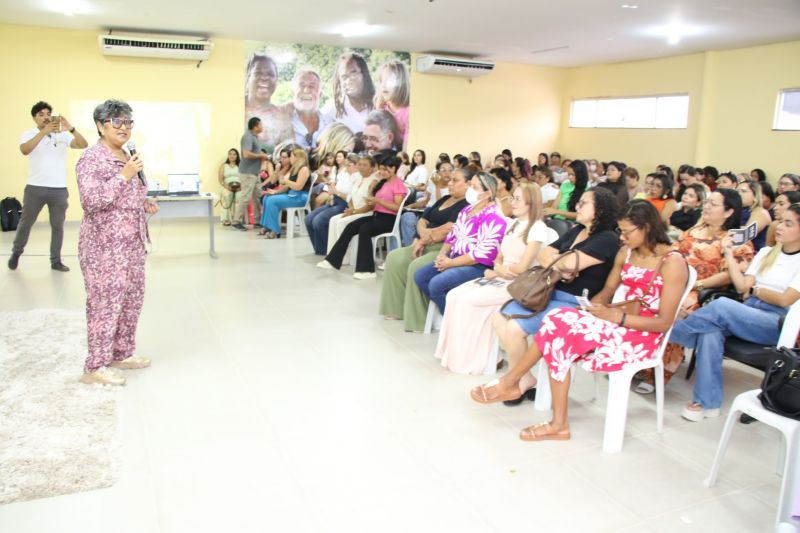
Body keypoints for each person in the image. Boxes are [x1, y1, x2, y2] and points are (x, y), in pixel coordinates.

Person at [471, 201, 688, 444]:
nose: (623, 237)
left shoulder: (673, 262)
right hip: (618, 323)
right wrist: (592, 310)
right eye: (621, 232)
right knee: (557, 321)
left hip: (643, 335)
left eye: (627, 232)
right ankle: (550, 416)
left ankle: (522, 391)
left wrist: (618, 317)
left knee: (558, 327)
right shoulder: (626, 252)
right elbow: (607, 291)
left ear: (647, 227)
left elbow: (664, 322)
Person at [489, 187, 621, 403]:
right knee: (498, 316)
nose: (576, 207)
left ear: (600, 210)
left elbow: (564, 261)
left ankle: (516, 381)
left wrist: (560, 260)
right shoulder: (577, 229)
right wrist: (563, 263)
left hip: (574, 304)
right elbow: (544, 254)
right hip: (549, 292)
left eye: (583, 203)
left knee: (514, 328)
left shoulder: (606, 239)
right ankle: (525, 379)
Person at [670, 204, 800, 422]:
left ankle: (666, 333)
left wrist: (758, 290)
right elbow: (742, 286)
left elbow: (785, 299)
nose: (779, 227)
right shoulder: (768, 253)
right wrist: (729, 255)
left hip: (775, 321)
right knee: (710, 332)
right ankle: (707, 403)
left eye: (789, 223)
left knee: (721, 305)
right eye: (781, 221)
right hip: (748, 310)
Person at [74, 99, 158, 385]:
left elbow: (126, 192)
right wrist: (125, 175)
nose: (124, 128)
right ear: (100, 125)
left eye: (128, 122)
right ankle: (95, 367)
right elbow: (91, 200)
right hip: (104, 247)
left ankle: (121, 353)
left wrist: (143, 201)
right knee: (105, 303)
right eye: (117, 122)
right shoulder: (91, 159)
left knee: (131, 299)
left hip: (132, 243)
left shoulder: (126, 154)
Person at [435, 183, 556, 374]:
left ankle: (477, 359)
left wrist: (497, 271)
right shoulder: (513, 223)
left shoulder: (537, 228)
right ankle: (455, 354)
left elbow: (523, 267)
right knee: (454, 295)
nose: (512, 202)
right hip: (500, 276)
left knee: (468, 301)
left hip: (518, 284)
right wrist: (498, 269)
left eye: (517, 199)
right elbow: (499, 256)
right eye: (512, 198)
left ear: (531, 202)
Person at [379, 167, 471, 331]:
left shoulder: (468, 205)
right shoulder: (444, 199)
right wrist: (423, 235)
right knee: (394, 257)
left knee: (417, 266)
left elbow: (450, 228)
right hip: (425, 241)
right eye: (449, 180)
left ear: (468, 184)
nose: (449, 183)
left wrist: (426, 237)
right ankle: (396, 309)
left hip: (444, 248)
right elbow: (423, 218)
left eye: (455, 180)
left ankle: (418, 319)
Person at [9, 101, 88, 271]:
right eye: (41, 114)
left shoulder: (62, 135)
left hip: (59, 189)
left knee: (57, 226)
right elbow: (25, 150)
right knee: (26, 223)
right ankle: (16, 252)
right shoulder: (28, 134)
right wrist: (43, 132)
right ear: (34, 118)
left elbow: (83, 144)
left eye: (48, 114)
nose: (45, 117)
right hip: (35, 188)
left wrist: (71, 128)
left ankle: (55, 261)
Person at [413, 172, 508, 313]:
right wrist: (442, 255)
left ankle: (452, 318)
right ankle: (450, 313)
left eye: (474, 187)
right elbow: (453, 234)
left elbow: (480, 254)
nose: (469, 189)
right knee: (420, 276)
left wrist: (450, 263)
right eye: (470, 185)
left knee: (436, 283)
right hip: (455, 257)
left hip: (478, 266)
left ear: (487, 194)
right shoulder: (467, 209)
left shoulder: (493, 217)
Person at [318, 153, 408, 279]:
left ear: (393, 169)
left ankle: (367, 270)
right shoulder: (383, 182)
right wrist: (372, 197)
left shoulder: (398, 185)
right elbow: (374, 198)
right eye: (380, 168)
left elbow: (398, 207)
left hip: (388, 219)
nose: (381, 172)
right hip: (377, 215)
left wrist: (378, 201)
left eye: (384, 169)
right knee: (351, 226)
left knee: (364, 229)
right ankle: (333, 260)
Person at [305, 153, 360, 255]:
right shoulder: (344, 174)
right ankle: (320, 249)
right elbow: (335, 189)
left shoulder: (358, 178)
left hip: (346, 204)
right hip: (335, 201)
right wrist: (332, 195)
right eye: (346, 165)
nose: (346, 167)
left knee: (319, 221)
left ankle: (329, 250)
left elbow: (353, 199)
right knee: (309, 219)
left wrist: (336, 193)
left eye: (349, 165)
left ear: (357, 165)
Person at [327, 156, 380, 256]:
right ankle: (332, 254)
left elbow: (370, 206)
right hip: (354, 211)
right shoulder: (358, 178)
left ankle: (344, 256)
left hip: (366, 214)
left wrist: (354, 212)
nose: (361, 167)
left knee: (342, 222)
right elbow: (351, 197)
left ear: (372, 168)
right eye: (359, 164)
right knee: (333, 220)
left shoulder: (374, 182)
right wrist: (351, 208)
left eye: (365, 165)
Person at [244, 54, 293, 153]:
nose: (264, 78)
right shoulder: (234, 108)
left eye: (270, 74)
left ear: (276, 80)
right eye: (258, 73)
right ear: (248, 77)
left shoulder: (283, 117)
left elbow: (290, 153)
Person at [259, 148, 311, 238]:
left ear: (296, 157)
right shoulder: (295, 168)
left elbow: (298, 186)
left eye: (290, 156)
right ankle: (267, 226)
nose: (290, 158)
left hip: (300, 197)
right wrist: (276, 192)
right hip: (292, 194)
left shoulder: (304, 169)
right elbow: (285, 185)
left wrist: (286, 180)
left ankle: (275, 230)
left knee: (272, 201)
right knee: (267, 197)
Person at [321, 52, 375, 135]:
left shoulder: (378, 106)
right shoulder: (330, 111)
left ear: (364, 74)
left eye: (353, 73)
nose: (349, 80)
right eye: (344, 77)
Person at [234, 117, 269, 231]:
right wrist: (261, 156)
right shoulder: (248, 137)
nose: (262, 126)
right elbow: (246, 154)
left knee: (257, 197)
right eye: (260, 124)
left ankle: (258, 221)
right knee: (246, 197)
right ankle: (236, 221)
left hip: (255, 172)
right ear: (255, 126)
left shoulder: (255, 137)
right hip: (247, 173)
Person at [289, 69, 331, 150]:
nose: (306, 90)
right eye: (302, 85)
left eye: (312, 86)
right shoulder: (283, 123)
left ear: (320, 94)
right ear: (293, 93)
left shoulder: (330, 125)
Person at [374, 60, 410, 148]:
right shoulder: (382, 108)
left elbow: (407, 146)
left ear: (401, 83)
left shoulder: (408, 112)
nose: (384, 85)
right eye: (382, 81)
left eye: (389, 80)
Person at [738, 179, 771, 251]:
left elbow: (745, 235)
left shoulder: (761, 212)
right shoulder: (736, 210)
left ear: (755, 196)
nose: (738, 194)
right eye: (737, 191)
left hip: (753, 253)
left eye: (743, 191)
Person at [218, 148, 240, 226]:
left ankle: (237, 219)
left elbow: (245, 178)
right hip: (227, 186)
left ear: (237, 156)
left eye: (234, 154)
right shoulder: (224, 166)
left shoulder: (240, 166)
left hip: (239, 187)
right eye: (230, 154)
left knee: (240, 197)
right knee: (227, 195)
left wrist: (241, 187)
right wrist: (226, 186)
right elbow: (220, 180)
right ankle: (225, 219)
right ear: (228, 155)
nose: (232, 156)